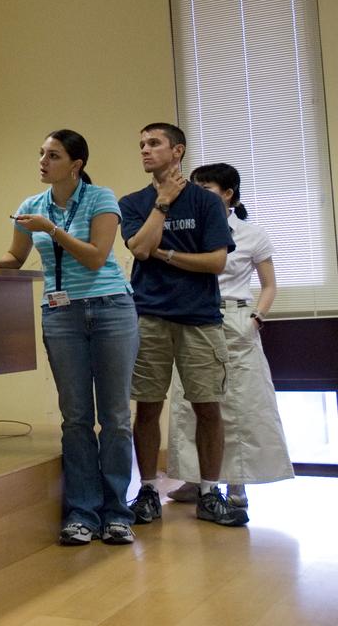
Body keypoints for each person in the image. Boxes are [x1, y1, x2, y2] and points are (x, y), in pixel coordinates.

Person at [0, 129, 139, 546]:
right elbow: (16, 257)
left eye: (53, 155)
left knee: (114, 417)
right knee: (76, 417)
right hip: (61, 315)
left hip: (111, 307)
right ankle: (82, 513)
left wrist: (53, 230)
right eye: (41, 153)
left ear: (76, 165)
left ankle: (117, 513)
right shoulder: (31, 206)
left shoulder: (101, 199)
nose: (43, 161)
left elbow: (97, 257)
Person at [119, 123, 247, 527]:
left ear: (178, 152)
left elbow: (215, 262)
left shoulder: (206, 203)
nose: (144, 150)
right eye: (140, 143)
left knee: (208, 407)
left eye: (154, 143)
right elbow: (139, 249)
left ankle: (210, 492)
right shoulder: (134, 201)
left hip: (200, 319)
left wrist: (167, 254)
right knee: (147, 408)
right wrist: (162, 204)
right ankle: (148, 492)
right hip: (150, 316)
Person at [166, 163, 292, 507]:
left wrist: (256, 318)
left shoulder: (251, 235)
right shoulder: (188, 231)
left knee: (239, 404)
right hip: (193, 318)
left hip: (236, 319)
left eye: (205, 189)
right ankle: (195, 480)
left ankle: (238, 483)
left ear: (228, 194)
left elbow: (269, 285)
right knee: (190, 403)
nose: (197, 194)